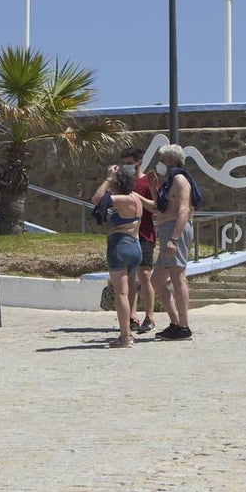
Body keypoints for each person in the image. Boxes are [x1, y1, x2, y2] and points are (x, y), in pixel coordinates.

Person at [143, 144, 202, 341]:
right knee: (156, 280)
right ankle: (175, 322)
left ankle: (183, 327)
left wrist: (173, 239)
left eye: (163, 160)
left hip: (175, 231)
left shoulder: (179, 179)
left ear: (173, 161)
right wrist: (153, 188)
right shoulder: (169, 182)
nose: (160, 163)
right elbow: (161, 209)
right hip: (167, 229)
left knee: (178, 276)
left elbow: (184, 210)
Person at [91, 164, 145, 348]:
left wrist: (107, 179)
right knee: (128, 290)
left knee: (121, 293)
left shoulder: (123, 199)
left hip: (120, 245)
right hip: (135, 246)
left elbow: (97, 199)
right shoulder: (136, 198)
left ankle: (125, 337)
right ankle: (128, 331)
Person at [118, 147, 157, 334]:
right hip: (125, 234)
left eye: (129, 163)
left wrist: (136, 197)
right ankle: (132, 316)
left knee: (145, 274)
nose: (126, 166)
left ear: (138, 163)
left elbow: (155, 207)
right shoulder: (122, 183)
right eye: (123, 163)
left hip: (145, 233)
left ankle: (150, 316)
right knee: (129, 276)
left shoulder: (147, 181)